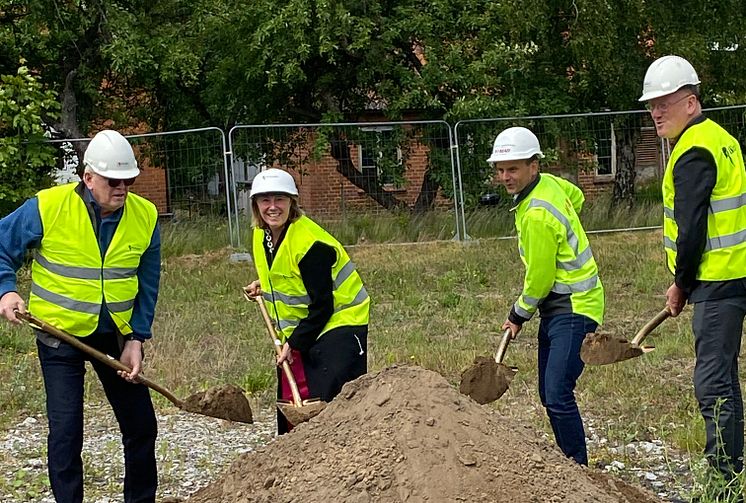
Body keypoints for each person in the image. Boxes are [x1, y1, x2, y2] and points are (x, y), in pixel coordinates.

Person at [0, 130, 161, 503]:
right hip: (59, 336)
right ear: (89, 178)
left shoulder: (145, 215)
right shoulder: (48, 206)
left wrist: (136, 339)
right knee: (66, 432)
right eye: (113, 181)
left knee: (141, 426)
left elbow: (148, 281)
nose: (122, 189)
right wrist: (7, 289)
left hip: (115, 337)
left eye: (129, 181)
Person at [640, 55, 746, 490]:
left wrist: (681, 284)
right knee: (725, 377)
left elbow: (691, 229)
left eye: (665, 102)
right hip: (735, 274)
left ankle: (722, 482)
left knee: (713, 380)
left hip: (718, 282)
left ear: (691, 101)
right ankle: (732, 474)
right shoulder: (722, 138)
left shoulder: (692, 151)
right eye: (651, 105)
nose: (656, 113)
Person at [488, 127, 605, 465]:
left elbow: (539, 280)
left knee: (556, 392)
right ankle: (571, 464)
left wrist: (516, 315)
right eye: (500, 169)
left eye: (513, 169)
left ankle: (578, 468)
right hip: (559, 307)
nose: (505, 176)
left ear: (533, 166)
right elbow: (577, 198)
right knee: (547, 391)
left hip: (576, 305)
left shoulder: (537, 214)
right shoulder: (550, 184)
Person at [244, 168, 370, 434]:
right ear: (256, 204)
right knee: (294, 396)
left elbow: (323, 304)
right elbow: (286, 275)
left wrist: (295, 343)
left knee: (330, 401)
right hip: (305, 325)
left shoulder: (311, 244)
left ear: (292, 202)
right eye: (265, 200)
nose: (273, 207)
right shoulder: (262, 235)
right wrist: (263, 286)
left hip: (340, 324)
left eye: (280, 199)